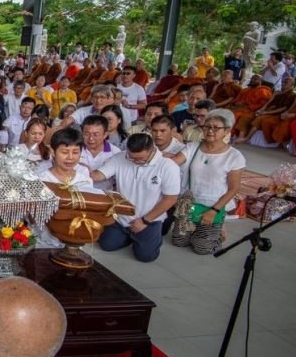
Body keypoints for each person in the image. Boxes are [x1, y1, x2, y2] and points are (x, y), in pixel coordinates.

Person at [90, 133, 179, 262]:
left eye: (140, 159)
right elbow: (100, 175)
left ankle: (151, 237)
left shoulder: (168, 166)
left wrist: (145, 221)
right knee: (107, 245)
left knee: (146, 257)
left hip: (149, 219)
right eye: (132, 158)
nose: (136, 161)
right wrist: (84, 173)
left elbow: (170, 199)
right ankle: (130, 236)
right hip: (121, 217)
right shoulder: (121, 157)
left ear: (152, 150)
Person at [170, 109, 245, 255]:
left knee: (202, 249)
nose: (210, 131)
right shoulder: (192, 147)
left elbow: (233, 189)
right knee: (179, 242)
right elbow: (173, 163)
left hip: (213, 206)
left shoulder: (234, 156)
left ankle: (217, 234)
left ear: (227, 131)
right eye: (207, 126)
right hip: (188, 204)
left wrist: (214, 211)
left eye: (216, 128)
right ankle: (203, 232)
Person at [79, 115, 120, 191]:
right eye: (87, 134)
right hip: (80, 192)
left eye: (95, 134)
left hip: (105, 194)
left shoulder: (115, 152)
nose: (91, 138)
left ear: (105, 134)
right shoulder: (75, 150)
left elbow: (118, 181)